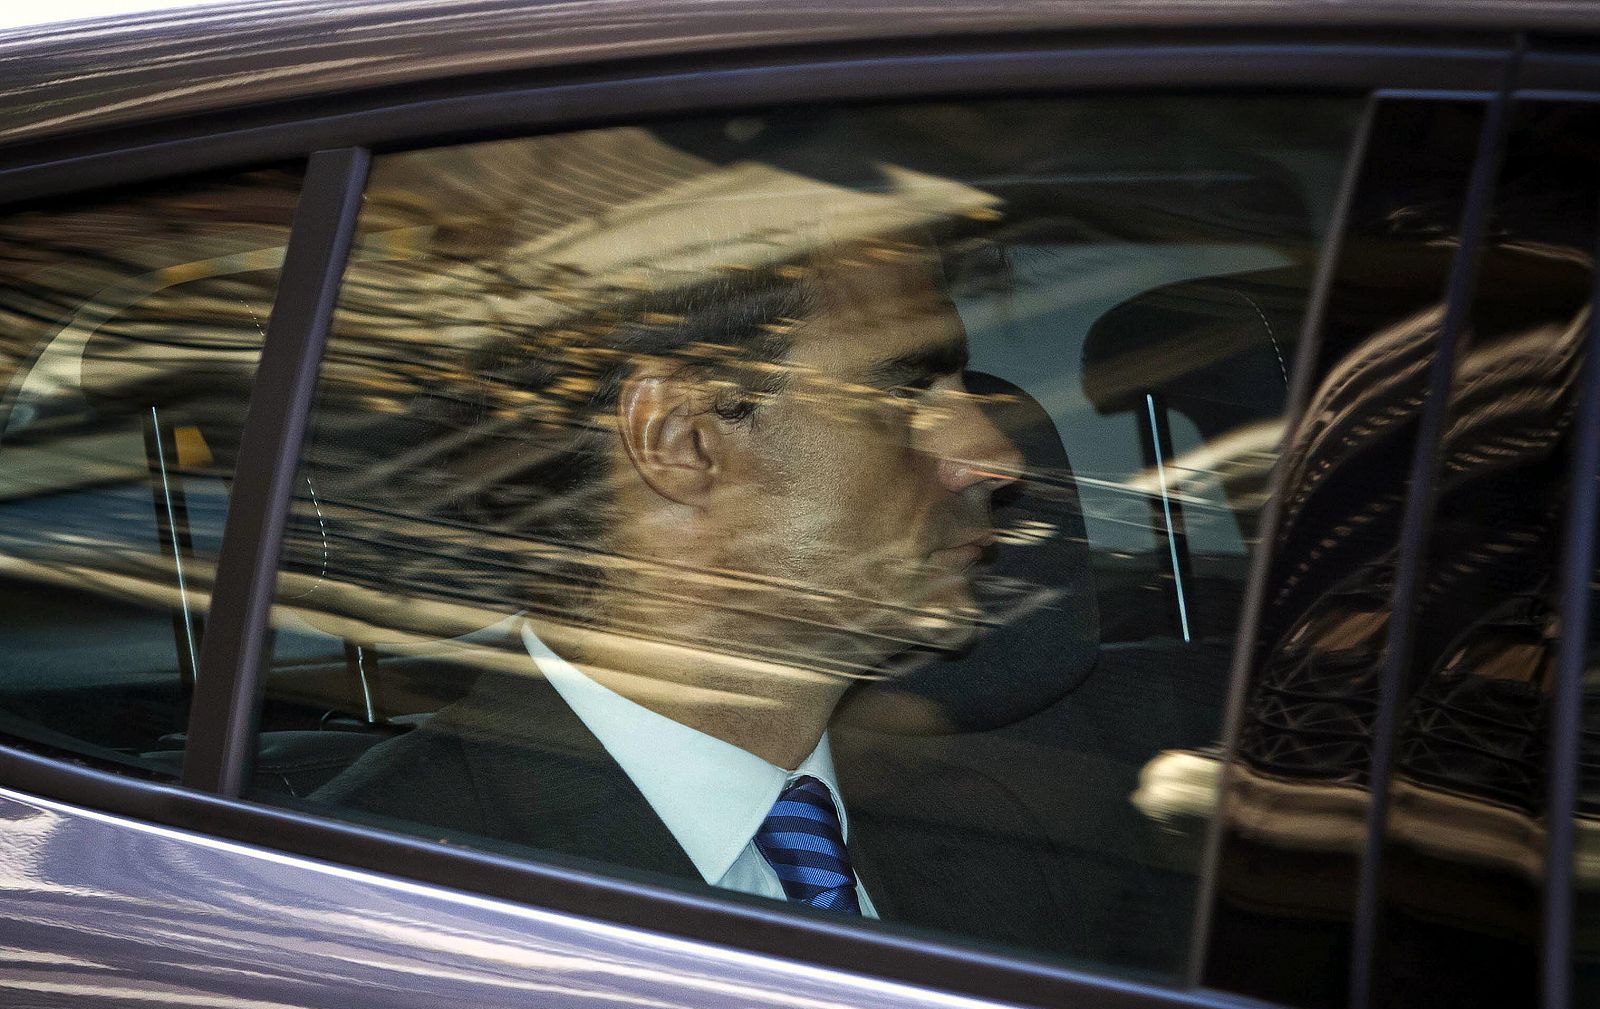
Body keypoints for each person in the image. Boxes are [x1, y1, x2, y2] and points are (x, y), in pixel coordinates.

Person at [315, 236, 1081, 949]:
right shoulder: (386, 904)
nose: (996, 455)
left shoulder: (983, 834)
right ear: (681, 440)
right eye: (906, 391)